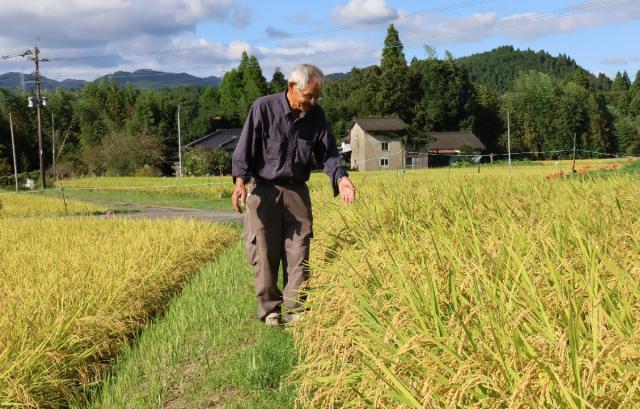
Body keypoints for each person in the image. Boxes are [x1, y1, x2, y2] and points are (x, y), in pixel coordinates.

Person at [231, 64, 355, 326]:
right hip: (264, 190)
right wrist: (240, 181)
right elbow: (244, 150)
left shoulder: (316, 116)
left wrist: (341, 179)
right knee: (263, 250)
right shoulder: (263, 108)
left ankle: (296, 308)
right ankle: (270, 310)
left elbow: (328, 154)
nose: (312, 102)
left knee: (299, 250)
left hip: (297, 191)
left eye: (316, 97)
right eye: (308, 96)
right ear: (291, 87)